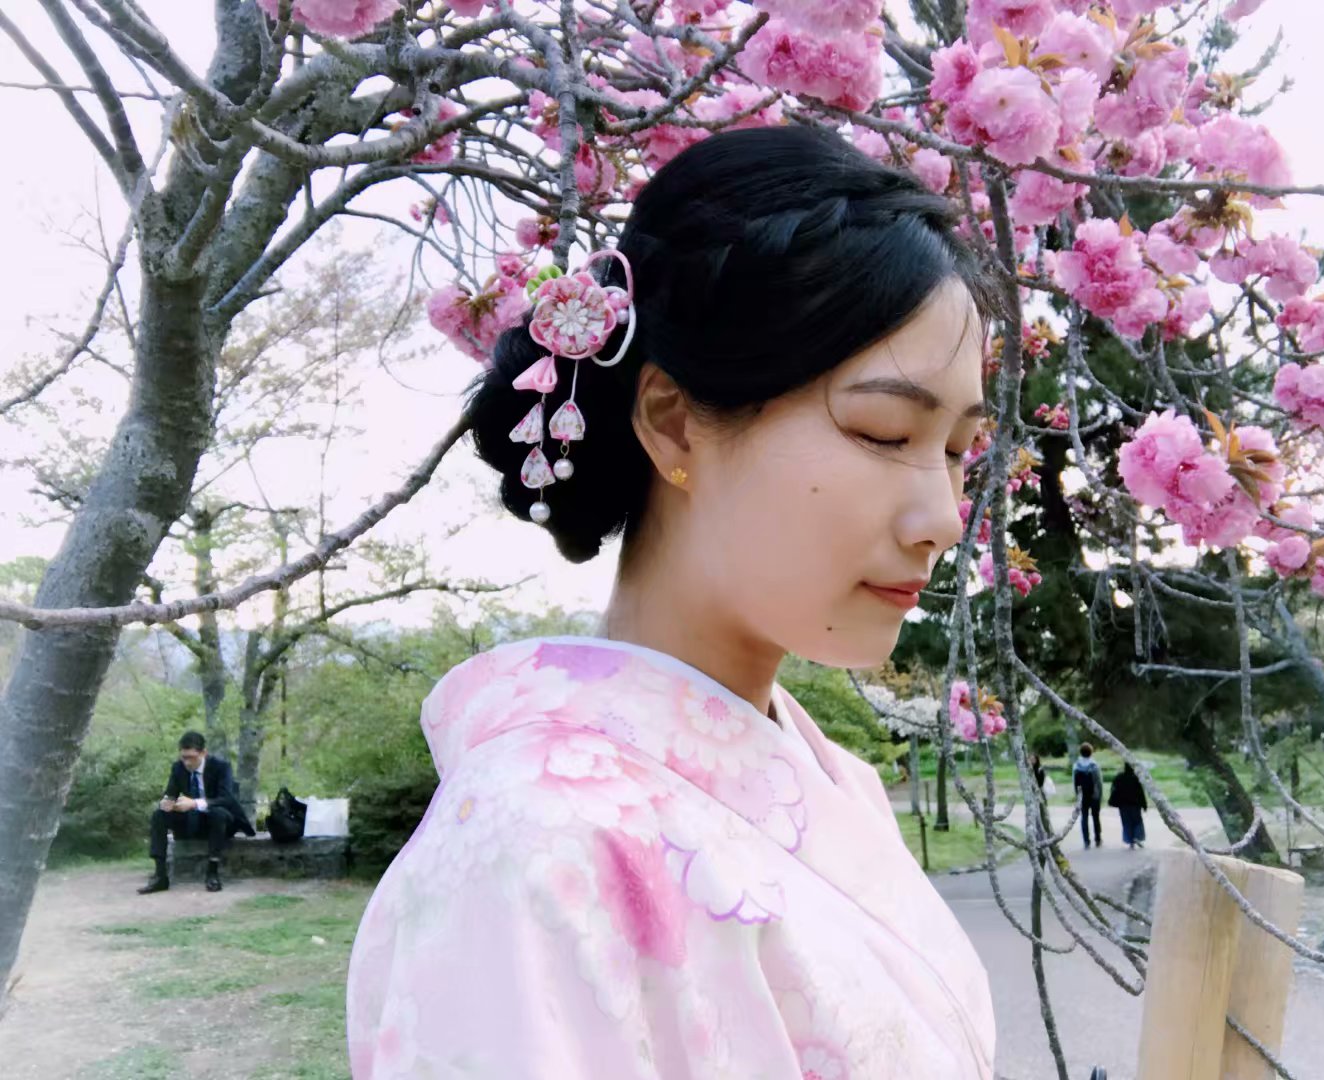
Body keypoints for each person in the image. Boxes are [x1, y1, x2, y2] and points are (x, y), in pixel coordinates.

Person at [347, 127, 999, 1078]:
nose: (942, 518)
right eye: (885, 430)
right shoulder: (534, 846)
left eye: (958, 451)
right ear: (672, 421)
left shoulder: (833, 781)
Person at [138, 731, 255, 894]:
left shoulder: (221, 767)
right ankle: (160, 875)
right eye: (184, 757)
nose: (187, 762)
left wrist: (194, 803)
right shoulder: (178, 768)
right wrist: (167, 802)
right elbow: (170, 793)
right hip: (192, 821)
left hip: (220, 822)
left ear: (203, 753)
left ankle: (212, 873)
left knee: (218, 813)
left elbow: (227, 799)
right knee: (159, 815)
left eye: (191, 757)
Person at [1108, 762, 1148, 849]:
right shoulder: (1136, 778)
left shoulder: (1119, 777)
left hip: (1123, 805)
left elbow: (1113, 790)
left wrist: (1113, 801)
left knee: (1126, 822)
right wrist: (1144, 805)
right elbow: (1140, 793)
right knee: (1137, 821)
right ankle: (1137, 836)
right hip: (1135, 804)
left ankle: (1130, 841)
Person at [1073, 742, 1104, 849]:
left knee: (1084, 818)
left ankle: (1086, 841)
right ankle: (1098, 839)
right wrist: (1100, 795)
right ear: (1091, 752)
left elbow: (1074, 782)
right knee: (1096, 817)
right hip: (1094, 795)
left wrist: (1077, 796)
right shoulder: (1094, 765)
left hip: (1082, 796)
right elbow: (1099, 782)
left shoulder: (1076, 765)